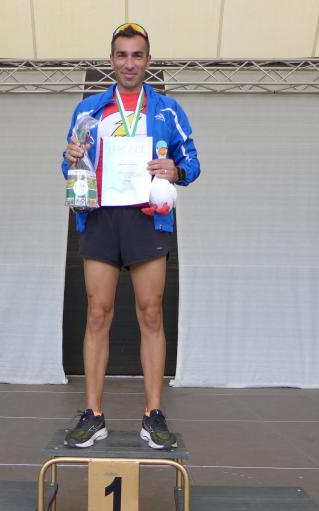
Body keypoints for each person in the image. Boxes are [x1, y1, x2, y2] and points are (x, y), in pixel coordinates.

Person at [61, 23, 200, 449]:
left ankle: (153, 414)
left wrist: (175, 170)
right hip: (100, 217)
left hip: (146, 219)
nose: (129, 63)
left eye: (137, 55)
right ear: (111, 60)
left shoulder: (167, 110)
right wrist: (70, 157)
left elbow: (192, 163)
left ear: (148, 61)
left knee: (151, 314)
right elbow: (70, 166)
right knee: (97, 314)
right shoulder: (89, 110)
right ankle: (93, 414)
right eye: (122, 55)